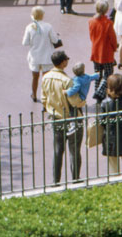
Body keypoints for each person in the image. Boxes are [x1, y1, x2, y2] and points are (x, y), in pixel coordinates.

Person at [41, 50, 82, 184]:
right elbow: (74, 101)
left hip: (55, 116)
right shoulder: (67, 80)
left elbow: (43, 98)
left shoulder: (45, 77)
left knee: (58, 150)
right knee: (74, 150)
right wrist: (83, 102)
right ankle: (75, 178)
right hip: (70, 117)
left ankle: (56, 180)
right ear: (63, 62)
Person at [22, 6, 59, 101]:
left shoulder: (29, 27)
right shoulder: (48, 26)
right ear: (42, 15)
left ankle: (34, 94)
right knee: (46, 79)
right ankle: (45, 97)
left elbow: (25, 43)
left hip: (35, 57)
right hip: (46, 57)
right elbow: (55, 40)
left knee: (35, 77)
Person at [88, 0, 117, 86]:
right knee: (108, 74)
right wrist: (114, 47)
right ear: (106, 10)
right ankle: (102, 92)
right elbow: (113, 38)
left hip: (95, 50)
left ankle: (97, 90)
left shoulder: (91, 21)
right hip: (106, 52)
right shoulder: (108, 23)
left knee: (97, 74)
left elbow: (91, 36)